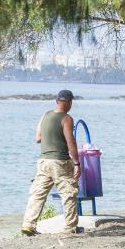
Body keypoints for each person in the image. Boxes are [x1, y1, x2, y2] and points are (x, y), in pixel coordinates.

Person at [21, 90, 83, 236]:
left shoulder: (46, 115)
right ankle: (70, 227)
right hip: (60, 162)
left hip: (43, 161)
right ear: (69, 102)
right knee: (68, 193)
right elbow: (70, 142)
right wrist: (77, 163)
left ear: (56, 101)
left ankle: (28, 225)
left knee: (38, 193)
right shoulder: (67, 118)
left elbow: (38, 138)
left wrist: (52, 135)